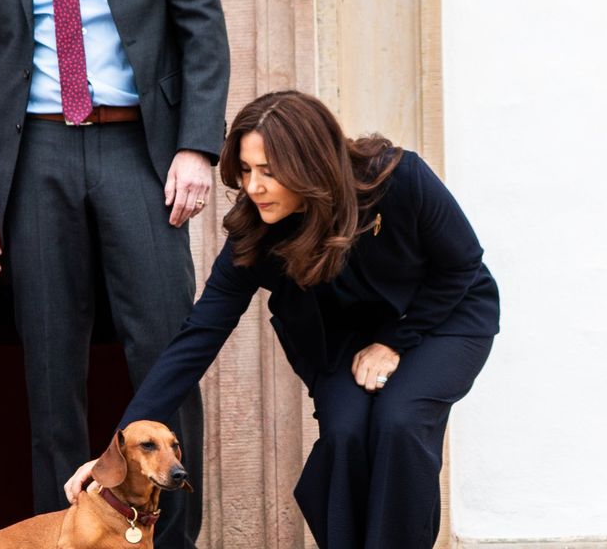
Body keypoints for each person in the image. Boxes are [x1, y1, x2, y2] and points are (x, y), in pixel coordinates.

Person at [66, 90, 501, 549]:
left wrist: (394, 342)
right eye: (247, 170)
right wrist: (114, 449)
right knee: (345, 432)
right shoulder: (254, 232)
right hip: (342, 338)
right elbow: (197, 338)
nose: (253, 187)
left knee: (401, 421)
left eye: (269, 172)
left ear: (311, 164)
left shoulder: (397, 178)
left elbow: (462, 263)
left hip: (442, 315)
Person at [0, 0, 229, 546]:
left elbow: (202, 26)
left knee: (165, 349)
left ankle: (170, 544)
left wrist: (197, 145)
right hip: (35, 148)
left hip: (139, 147)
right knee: (51, 369)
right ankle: (65, 539)